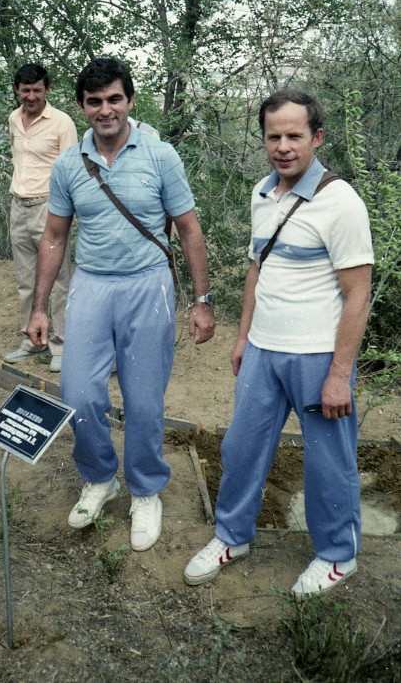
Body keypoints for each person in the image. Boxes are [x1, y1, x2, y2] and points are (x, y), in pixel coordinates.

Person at [184, 89, 373, 598]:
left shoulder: (341, 202)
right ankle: (232, 536)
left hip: (318, 355)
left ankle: (338, 555)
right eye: (274, 136)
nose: (283, 146)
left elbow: (358, 295)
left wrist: (339, 374)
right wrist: (244, 336)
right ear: (263, 140)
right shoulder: (262, 192)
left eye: (294, 135)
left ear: (317, 137)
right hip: (263, 351)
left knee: (328, 461)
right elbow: (258, 269)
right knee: (241, 447)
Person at [27, 57, 215, 551]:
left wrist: (201, 301)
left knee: (144, 399)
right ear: (81, 107)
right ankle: (99, 478)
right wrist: (40, 307)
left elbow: (189, 230)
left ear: (130, 101)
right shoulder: (69, 165)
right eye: (95, 101)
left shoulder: (161, 156)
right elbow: (54, 235)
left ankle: (146, 489)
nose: (105, 110)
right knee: (78, 391)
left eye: (115, 99)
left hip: (148, 285)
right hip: (91, 285)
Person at [5, 63, 77, 373]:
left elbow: (72, 170)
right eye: (25, 90)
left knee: (58, 279)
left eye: (37, 90)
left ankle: (60, 344)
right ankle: (33, 339)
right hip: (19, 205)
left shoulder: (62, 123)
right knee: (26, 278)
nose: (31, 96)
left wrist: (64, 212)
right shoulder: (14, 119)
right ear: (17, 90)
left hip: (50, 207)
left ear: (47, 90)